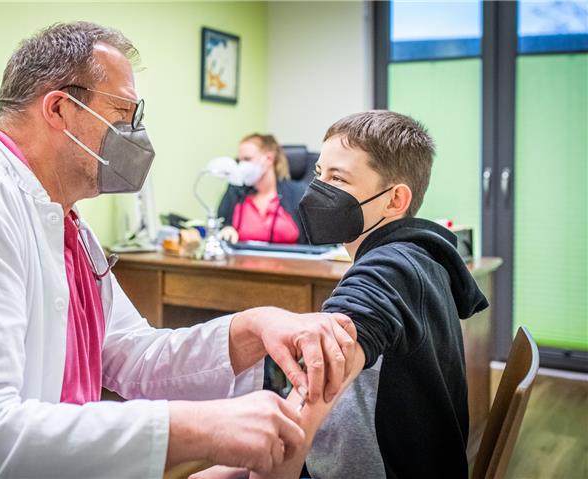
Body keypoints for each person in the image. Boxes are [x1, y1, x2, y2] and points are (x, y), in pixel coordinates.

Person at [0, 22, 359, 479]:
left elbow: (131, 356)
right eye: (123, 115)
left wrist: (251, 329)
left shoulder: (67, 227)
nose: (137, 135)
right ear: (59, 109)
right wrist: (200, 430)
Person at [195, 111, 489, 479]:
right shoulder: (413, 258)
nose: (319, 189)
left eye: (338, 178)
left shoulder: (389, 270)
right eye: (319, 174)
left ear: (395, 200)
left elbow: (307, 401)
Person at [217, 134, 306, 244]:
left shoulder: (298, 193)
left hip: (290, 260)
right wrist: (226, 229)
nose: (241, 166)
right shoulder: (235, 190)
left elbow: (316, 242)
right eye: (239, 161)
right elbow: (220, 224)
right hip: (242, 260)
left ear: (268, 159)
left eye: (247, 159)